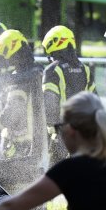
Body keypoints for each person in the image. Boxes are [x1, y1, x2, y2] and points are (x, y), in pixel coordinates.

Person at [0, 29, 45, 173]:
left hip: (19, 144)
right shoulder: (38, 71)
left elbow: (13, 110)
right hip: (35, 143)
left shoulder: (19, 79)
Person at [41, 25, 96, 165]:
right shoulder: (85, 70)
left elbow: (50, 105)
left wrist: (51, 130)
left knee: (58, 179)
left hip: (63, 136)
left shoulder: (53, 70)